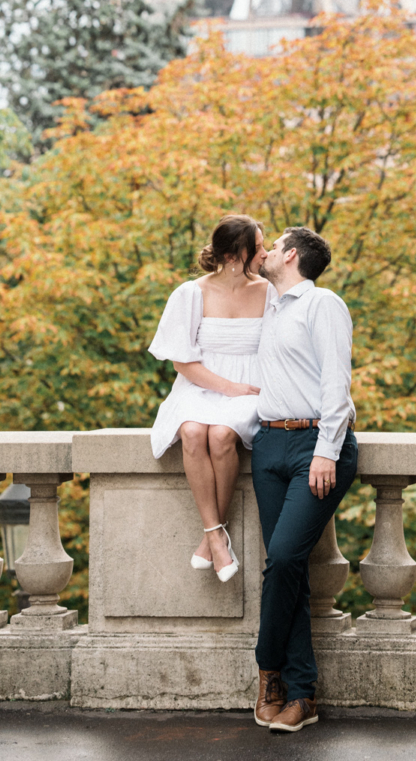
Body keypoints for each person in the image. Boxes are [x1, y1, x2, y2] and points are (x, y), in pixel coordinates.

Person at [250, 226, 357, 734]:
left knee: (287, 559)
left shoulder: (323, 305)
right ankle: (298, 694)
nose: (265, 252)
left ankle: (268, 665)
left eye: (273, 246)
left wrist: (326, 451)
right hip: (268, 444)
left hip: (314, 446)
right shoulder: (269, 306)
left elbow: (337, 380)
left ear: (291, 255)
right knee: (286, 570)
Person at [148, 214, 272, 582]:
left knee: (220, 435)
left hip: (251, 387)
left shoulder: (269, 292)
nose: (265, 253)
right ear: (235, 256)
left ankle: (211, 537)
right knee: (191, 432)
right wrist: (228, 387)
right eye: (259, 246)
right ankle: (216, 537)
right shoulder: (191, 293)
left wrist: (242, 389)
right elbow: (182, 362)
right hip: (200, 385)